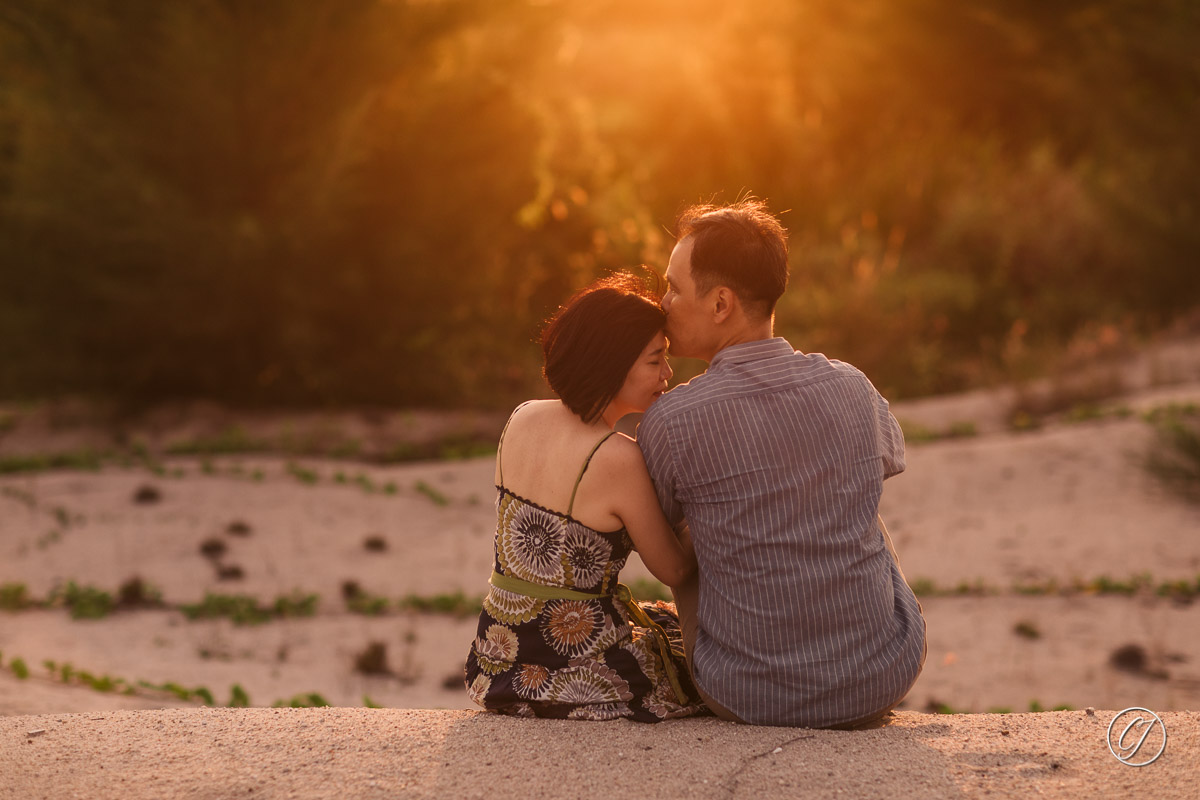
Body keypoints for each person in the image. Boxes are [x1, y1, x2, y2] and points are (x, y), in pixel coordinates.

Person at [638, 199, 927, 729]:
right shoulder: (854, 387)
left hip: (745, 694)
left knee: (694, 520)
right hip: (880, 679)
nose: (663, 302)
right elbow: (886, 464)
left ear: (721, 303)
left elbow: (660, 534)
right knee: (854, 495)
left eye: (674, 287)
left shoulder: (672, 419)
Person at [464, 273, 708, 722]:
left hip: (497, 659)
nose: (668, 375)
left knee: (661, 619)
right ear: (613, 364)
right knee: (696, 655)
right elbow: (674, 568)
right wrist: (709, 505)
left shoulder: (521, 417)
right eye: (657, 360)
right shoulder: (617, 457)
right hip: (575, 667)